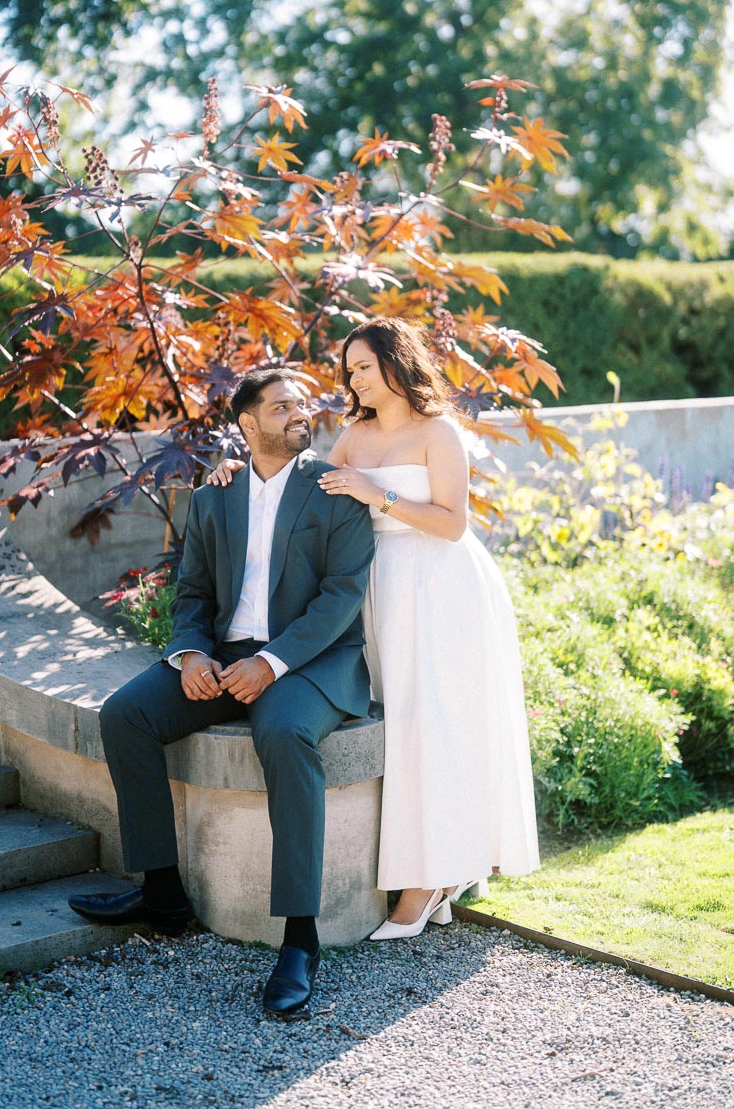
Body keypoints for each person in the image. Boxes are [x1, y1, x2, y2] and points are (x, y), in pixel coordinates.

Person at [209, 318, 540, 940]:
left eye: (362, 366)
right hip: (376, 592)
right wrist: (234, 470)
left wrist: (375, 496)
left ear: (394, 365)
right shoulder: (354, 435)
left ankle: (432, 878)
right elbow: (299, 483)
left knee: (437, 728)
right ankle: (435, 868)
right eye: (349, 369)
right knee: (401, 728)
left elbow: (451, 525)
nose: (352, 379)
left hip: (440, 588)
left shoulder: (439, 431)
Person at [68, 368, 375, 1019]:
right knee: (126, 714)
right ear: (247, 425)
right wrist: (190, 656)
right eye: (283, 405)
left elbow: (341, 599)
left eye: (304, 403)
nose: (301, 413)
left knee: (284, 733)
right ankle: (162, 892)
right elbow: (194, 595)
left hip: (311, 661)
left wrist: (272, 663)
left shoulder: (335, 493)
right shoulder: (214, 497)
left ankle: (299, 938)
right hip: (224, 655)